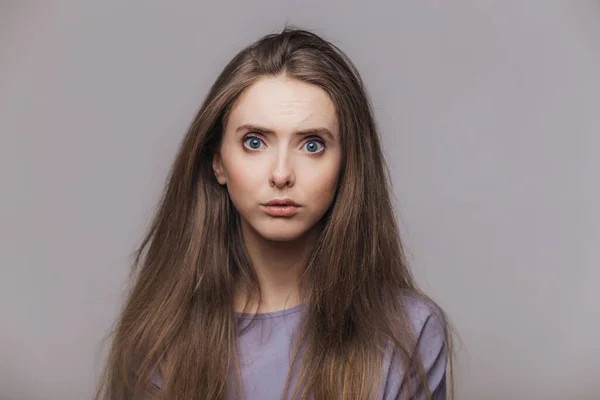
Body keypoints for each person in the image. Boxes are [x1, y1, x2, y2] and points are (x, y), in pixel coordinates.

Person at [95, 27, 453, 400]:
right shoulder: (161, 332)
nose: (281, 174)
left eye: (312, 145)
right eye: (255, 142)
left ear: (348, 165)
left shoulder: (410, 331)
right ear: (218, 161)